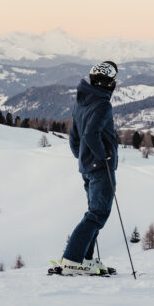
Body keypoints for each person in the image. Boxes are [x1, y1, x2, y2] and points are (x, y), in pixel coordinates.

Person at [56, 61, 120, 276]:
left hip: (87, 166)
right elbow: (90, 134)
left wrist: (82, 157)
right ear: (107, 83)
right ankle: (72, 259)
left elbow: (75, 138)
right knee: (97, 214)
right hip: (101, 167)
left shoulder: (81, 102)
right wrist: (104, 156)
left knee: (94, 213)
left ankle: (84, 259)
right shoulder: (102, 105)